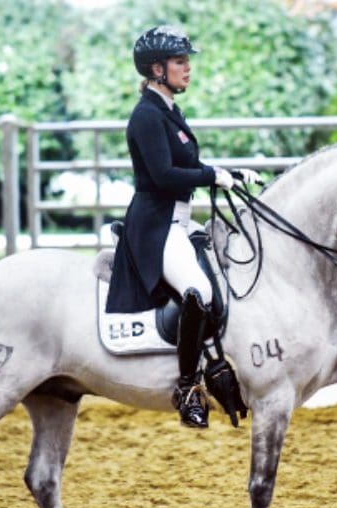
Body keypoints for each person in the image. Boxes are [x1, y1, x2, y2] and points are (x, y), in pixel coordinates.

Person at [105, 25, 259, 429]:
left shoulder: (169, 110)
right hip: (156, 228)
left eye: (187, 61)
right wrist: (212, 176)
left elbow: (187, 166)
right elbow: (162, 175)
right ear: (157, 69)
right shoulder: (146, 116)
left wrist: (230, 172)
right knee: (198, 290)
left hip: (180, 221)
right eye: (180, 62)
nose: (188, 68)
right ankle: (188, 387)